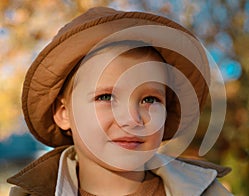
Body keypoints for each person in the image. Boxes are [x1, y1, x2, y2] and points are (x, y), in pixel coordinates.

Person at [7, 6, 232, 195]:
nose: (132, 119)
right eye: (105, 97)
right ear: (63, 113)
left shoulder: (205, 191)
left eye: (150, 99)